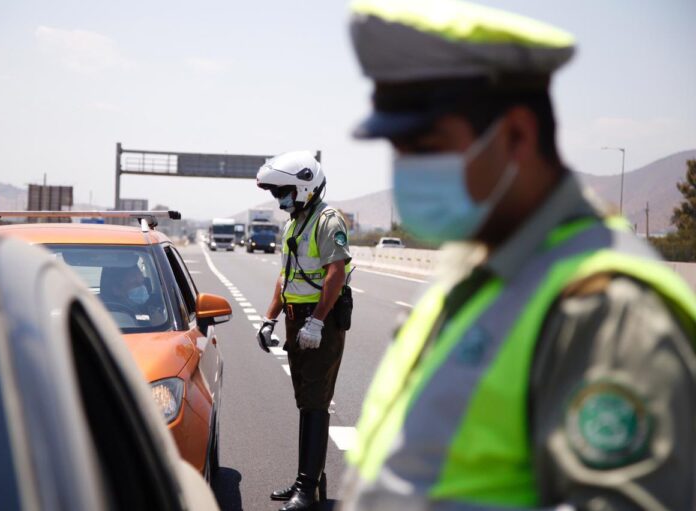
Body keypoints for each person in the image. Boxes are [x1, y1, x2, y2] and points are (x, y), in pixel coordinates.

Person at [340, 1, 696, 510]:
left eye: (426, 146)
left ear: (517, 136)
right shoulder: (478, 273)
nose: (405, 168)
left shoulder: (607, 309)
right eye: (398, 148)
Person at [256, 150, 353, 510]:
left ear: (305, 187)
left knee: (315, 403)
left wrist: (316, 321)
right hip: (297, 319)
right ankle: (308, 481)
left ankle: (306, 488)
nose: (279, 199)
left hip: (320, 321)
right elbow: (286, 277)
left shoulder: (328, 220)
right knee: (305, 402)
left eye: (283, 191)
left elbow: (336, 273)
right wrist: (269, 318)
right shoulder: (295, 223)